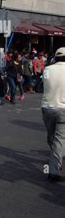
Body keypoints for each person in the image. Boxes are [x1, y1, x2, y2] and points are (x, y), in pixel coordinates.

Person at [42, 47, 65, 182]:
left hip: (47, 107)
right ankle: (54, 170)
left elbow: (47, 84)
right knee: (59, 139)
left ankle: (57, 154)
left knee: (51, 137)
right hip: (62, 108)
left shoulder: (48, 69)